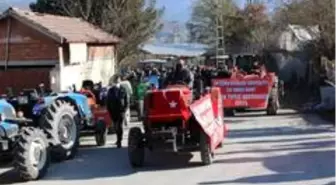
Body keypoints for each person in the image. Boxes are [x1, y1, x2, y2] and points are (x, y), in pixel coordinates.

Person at [106, 74, 129, 148]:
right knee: (116, 126)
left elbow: (126, 100)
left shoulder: (122, 89)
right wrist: (109, 109)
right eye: (116, 80)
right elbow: (108, 101)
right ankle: (118, 138)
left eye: (118, 79)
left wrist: (125, 109)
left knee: (119, 125)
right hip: (113, 110)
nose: (117, 81)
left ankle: (119, 140)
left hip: (121, 110)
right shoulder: (111, 90)